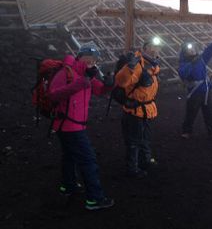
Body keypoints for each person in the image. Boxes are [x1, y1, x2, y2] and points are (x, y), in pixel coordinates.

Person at [48, 43, 114, 210]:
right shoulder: (66, 72)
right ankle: (95, 199)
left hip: (72, 125)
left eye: (94, 60)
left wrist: (109, 84)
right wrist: (80, 83)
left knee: (69, 156)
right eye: (88, 59)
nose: (92, 62)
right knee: (88, 159)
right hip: (68, 125)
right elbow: (53, 95)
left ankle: (68, 186)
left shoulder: (87, 75)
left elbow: (99, 90)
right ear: (80, 57)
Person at [115, 37, 161, 179]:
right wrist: (129, 67)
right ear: (144, 48)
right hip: (135, 110)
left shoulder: (151, 64)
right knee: (134, 141)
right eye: (152, 47)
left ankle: (144, 161)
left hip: (145, 109)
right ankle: (132, 168)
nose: (155, 50)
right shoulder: (136, 64)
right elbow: (121, 81)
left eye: (157, 48)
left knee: (145, 138)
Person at [178, 28, 212, 140]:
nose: (193, 50)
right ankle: (186, 131)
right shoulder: (184, 63)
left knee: (210, 113)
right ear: (185, 51)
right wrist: (192, 64)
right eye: (190, 48)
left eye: (194, 48)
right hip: (194, 92)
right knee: (191, 113)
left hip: (206, 90)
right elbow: (183, 74)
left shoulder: (201, 59)